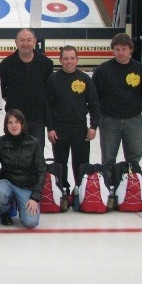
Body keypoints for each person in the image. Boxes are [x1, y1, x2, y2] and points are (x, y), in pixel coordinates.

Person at [46, 45, 100, 192]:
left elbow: (94, 104)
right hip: (59, 129)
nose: (69, 62)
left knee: (81, 163)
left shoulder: (85, 79)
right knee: (60, 163)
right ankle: (62, 191)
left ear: (77, 59)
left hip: (80, 128)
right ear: (60, 60)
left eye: (72, 58)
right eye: (65, 58)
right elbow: (48, 106)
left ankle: (81, 191)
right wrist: (50, 128)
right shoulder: (53, 79)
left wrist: (93, 126)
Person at [92, 33, 142, 166]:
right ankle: (109, 179)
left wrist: (134, 108)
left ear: (131, 50)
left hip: (133, 120)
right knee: (108, 158)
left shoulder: (140, 70)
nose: (120, 53)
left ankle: (131, 179)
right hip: (109, 120)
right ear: (112, 50)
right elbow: (95, 96)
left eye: (124, 49)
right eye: (117, 49)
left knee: (134, 157)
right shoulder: (102, 70)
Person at [0, 109, 46, 228]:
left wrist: (35, 197)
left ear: (22, 124)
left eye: (17, 122)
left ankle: (21, 205)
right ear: (6, 125)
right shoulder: (0, 142)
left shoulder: (34, 142)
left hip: (27, 186)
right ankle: (4, 212)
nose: (13, 125)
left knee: (30, 223)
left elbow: (41, 171)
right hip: (7, 182)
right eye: (10, 122)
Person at [0, 28, 54, 150]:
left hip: (38, 118)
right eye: (22, 40)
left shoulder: (46, 64)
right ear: (16, 42)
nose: (25, 43)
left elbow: (49, 91)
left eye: (29, 40)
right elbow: (1, 90)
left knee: (36, 152)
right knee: (14, 152)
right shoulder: (6, 65)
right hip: (14, 119)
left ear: (35, 41)